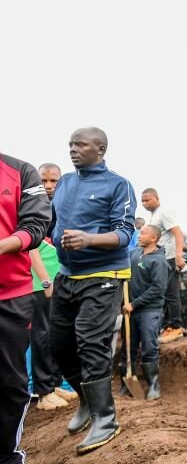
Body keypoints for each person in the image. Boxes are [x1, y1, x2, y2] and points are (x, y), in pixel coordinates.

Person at [50, 127, 135, 454]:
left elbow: (125, 233)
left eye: (80, 144)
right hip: (67, 275)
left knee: (89, 340)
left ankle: (106, 418)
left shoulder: (118, 185)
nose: (73, 149)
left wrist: (88, 239)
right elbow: (53, 223)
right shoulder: (66, 183)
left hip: (104, 273)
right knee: (58, 344)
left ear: (99, 149)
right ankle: (86, 401)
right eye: (70, 143)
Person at [0, 153, 50, 464]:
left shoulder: (20, 172)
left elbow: (37, 223)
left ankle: (6, 455)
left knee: (9, 381)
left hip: (9, 296)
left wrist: (5, 244)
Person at [28, 163, 76, 411]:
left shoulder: (59, 207)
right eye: (44, 181)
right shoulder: (32, 206)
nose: (48, 186)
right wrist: (46, 279)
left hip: (59, 278)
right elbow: (31, 245)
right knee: (42, 333)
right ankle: (43, 390)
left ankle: (55, 381)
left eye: (53, 181)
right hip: (40, 280)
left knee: (57, 332)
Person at [121, 225, 168, 400]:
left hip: (149, 310)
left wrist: (135, 304)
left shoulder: (159, 261)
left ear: (154, 238)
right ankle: (126, 384)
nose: (139, 235)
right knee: (128, 348)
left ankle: (153, 385)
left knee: (149, 347)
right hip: (129, 310)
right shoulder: (133, 254)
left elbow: (158, 288)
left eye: (143, 233)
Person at [140, 188, 185, 343]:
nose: (145, 204)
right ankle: (167, 327)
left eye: (148, 200)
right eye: (143, 201)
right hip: (160, 259)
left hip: (170, 258)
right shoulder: (153, 216)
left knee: (172, 294)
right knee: (164, 293)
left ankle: (176, 327)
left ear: (157, 198)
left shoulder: (164, 213)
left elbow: (178, 233)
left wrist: (179, 255)